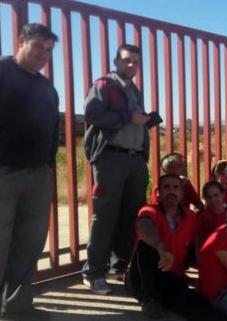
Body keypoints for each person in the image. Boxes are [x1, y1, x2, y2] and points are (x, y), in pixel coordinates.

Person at [83, 44, 162, 294]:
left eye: (136, 62)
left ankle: (119, 268)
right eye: (127, 61)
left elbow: (132, 122)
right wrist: (129, 118)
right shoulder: (104, 85)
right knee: (105, 216)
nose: (132, 66)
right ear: (116, 61)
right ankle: (93, 272)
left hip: (135, 159)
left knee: (130, 216)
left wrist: (145, 121)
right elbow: (92, 114)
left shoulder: (134, 90)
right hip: (111, 159)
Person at [0, 23, 59, 319]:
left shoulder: (47, 86)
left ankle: (18, 307)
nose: (44, 54)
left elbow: (53, 130)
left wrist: (47, 168)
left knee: (28, 246)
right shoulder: (2, 72)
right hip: (4, 174)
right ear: (21, 41)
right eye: (38, 46)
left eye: (49, 50)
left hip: (37, 176)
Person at [125, 174, 227, 320]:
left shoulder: (191, 217)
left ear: (181, 193)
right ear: (158, 193)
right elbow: (144, 226)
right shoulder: (150, 210)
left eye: (176, 187)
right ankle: (150, 301)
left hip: (171, 277)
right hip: (141, 279)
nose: (171, 191)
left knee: (198, 305)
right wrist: (161, 248)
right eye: (166, 187)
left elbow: (200, 248)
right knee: (145, 246)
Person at [197, 181, 227, 249]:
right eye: (209, 197)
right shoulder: (204, 217)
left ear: (222, 195)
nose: (213, 199)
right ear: (205, 199)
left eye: (216, 195)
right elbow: (200, 242)